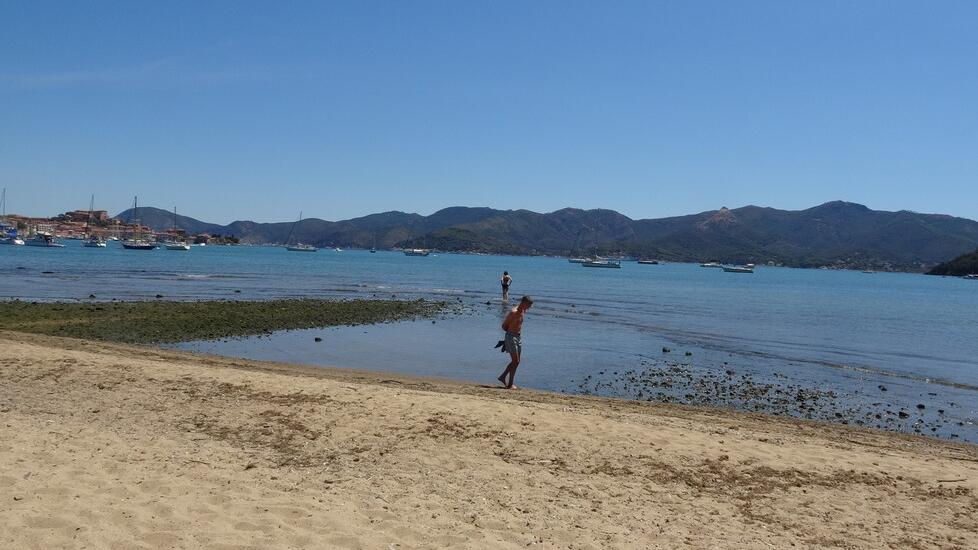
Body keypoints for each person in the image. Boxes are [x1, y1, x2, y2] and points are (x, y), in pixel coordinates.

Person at [497, 295, 533, 389]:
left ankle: (510, 383)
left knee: (517, 362)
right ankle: (503, 376)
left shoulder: (523, 310)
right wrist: (509, 337)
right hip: (511, 337)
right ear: (524, 303)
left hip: (518, 337)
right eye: (529, 305)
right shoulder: (514, 312)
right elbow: (504, 326)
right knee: (515, 361)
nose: (529, 308)